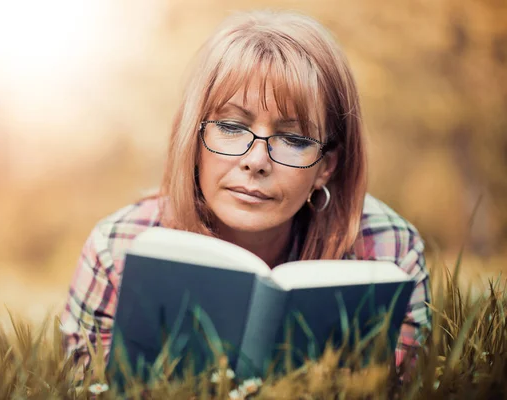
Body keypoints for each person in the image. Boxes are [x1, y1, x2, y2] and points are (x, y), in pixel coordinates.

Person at [60, 9, 431, 382]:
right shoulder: (117, 249)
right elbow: (87, 386)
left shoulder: (389, 250)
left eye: (294, 139)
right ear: (194, 139)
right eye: (231, 126)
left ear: (325, 166)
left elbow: (404, 386)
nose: (256, 161)